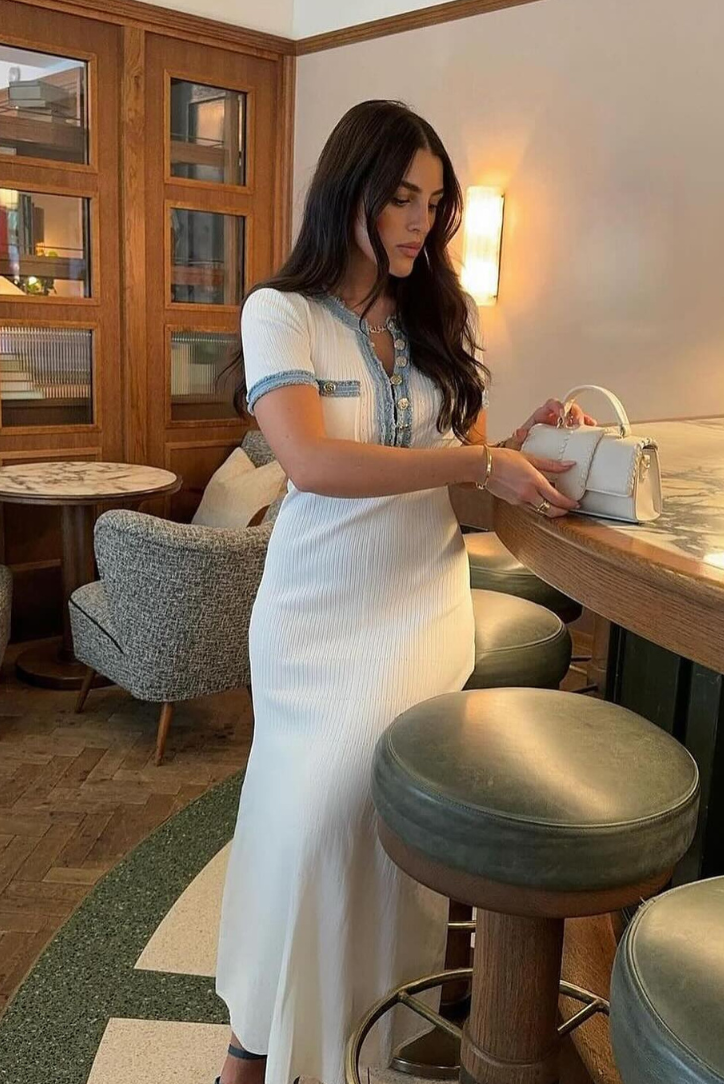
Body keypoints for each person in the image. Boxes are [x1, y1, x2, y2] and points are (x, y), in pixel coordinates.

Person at [214, 99, 595, 1084]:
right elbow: (311, 463)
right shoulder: (280, 312)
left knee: (368, 823)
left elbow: (454, 482)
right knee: (301, 827)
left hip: (419, 604)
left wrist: (513, 454)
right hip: (312, 613)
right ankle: (254, 1041)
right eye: (399, 197)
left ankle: (359, 1034)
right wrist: (473, 462)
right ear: (347, 191)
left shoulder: (438, 316)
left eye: (432, 201)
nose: (421, 220)